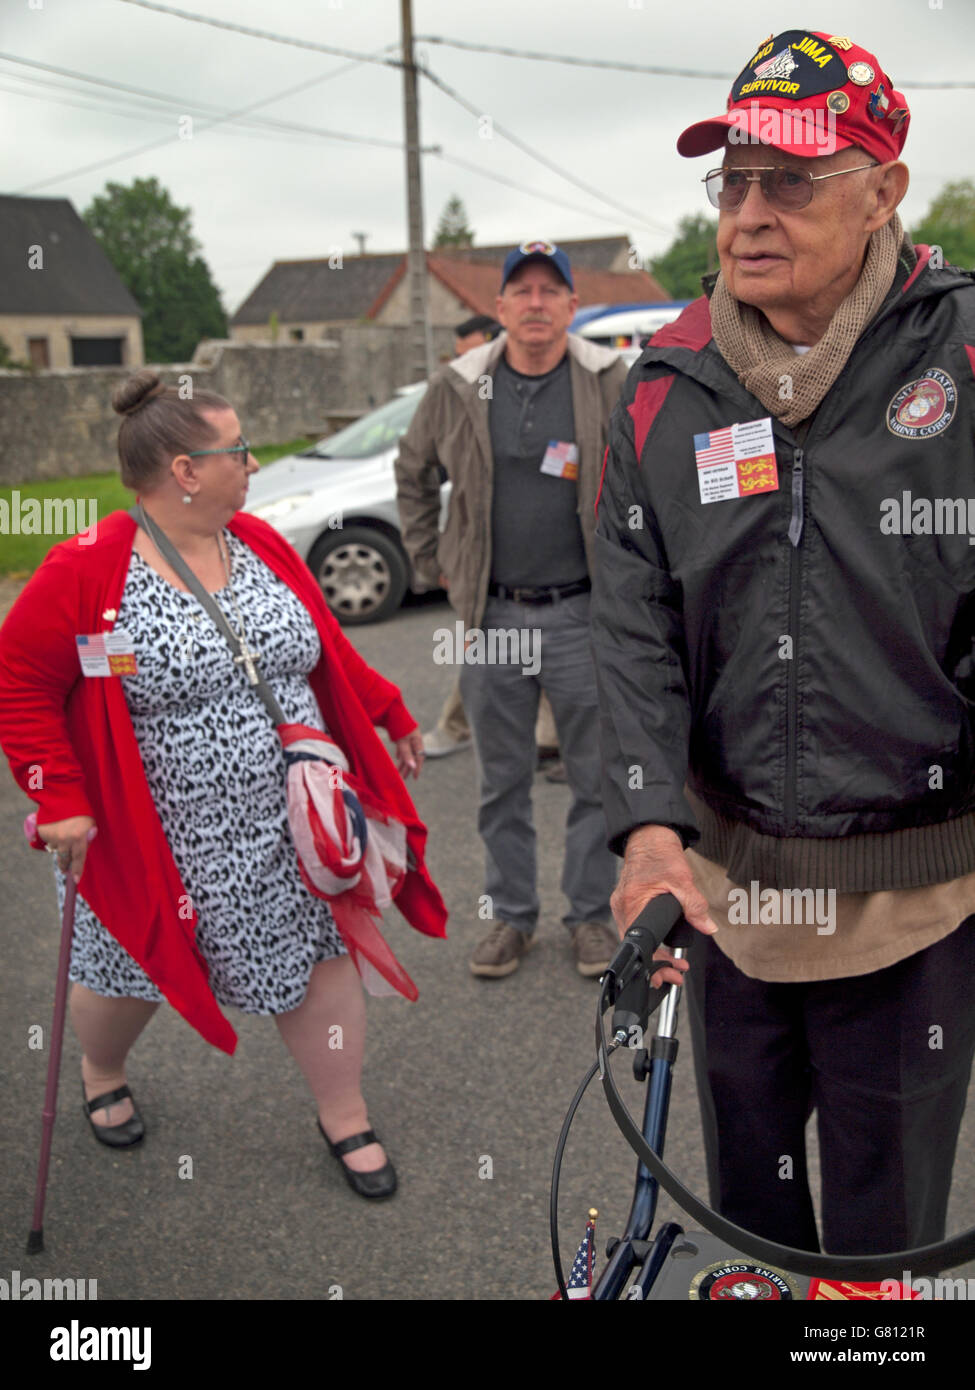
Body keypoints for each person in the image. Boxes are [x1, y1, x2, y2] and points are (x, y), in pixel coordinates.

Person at [593, 28, 975, 1255]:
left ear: (884, 189)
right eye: (734, 180)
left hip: (917, 896)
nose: (750, 212)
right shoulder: (662, 384)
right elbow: (634, 624)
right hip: (727, 899)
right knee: (752, 1226)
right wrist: (649, 822)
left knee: (881, 1242)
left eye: (791, 180)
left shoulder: (961, 352)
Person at [0, 370, 446, 1200]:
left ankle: (343, 1115)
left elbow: (319, 643)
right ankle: (102, 1069)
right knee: (126, 976)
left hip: (287, 826)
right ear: (185, 471)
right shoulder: (85, 569)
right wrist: (56, 797)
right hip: (153, 835)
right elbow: (21, 682)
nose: (252, 460)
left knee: (317, 960)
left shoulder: (261, 542)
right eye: (237, 448)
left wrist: (386, 708)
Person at [396, 241, 628, 979]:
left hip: (580, 613)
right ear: (499, 309)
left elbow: (651, 472)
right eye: (520, 291)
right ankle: (510, 919)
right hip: (492, 615)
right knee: (501, 782)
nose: (534, 302)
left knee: (594, 779)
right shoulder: (461, 383)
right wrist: (432, 560)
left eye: (548, 291)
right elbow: (411, 469)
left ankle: (590, 918)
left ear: (570, 304)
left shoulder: (607, 378)